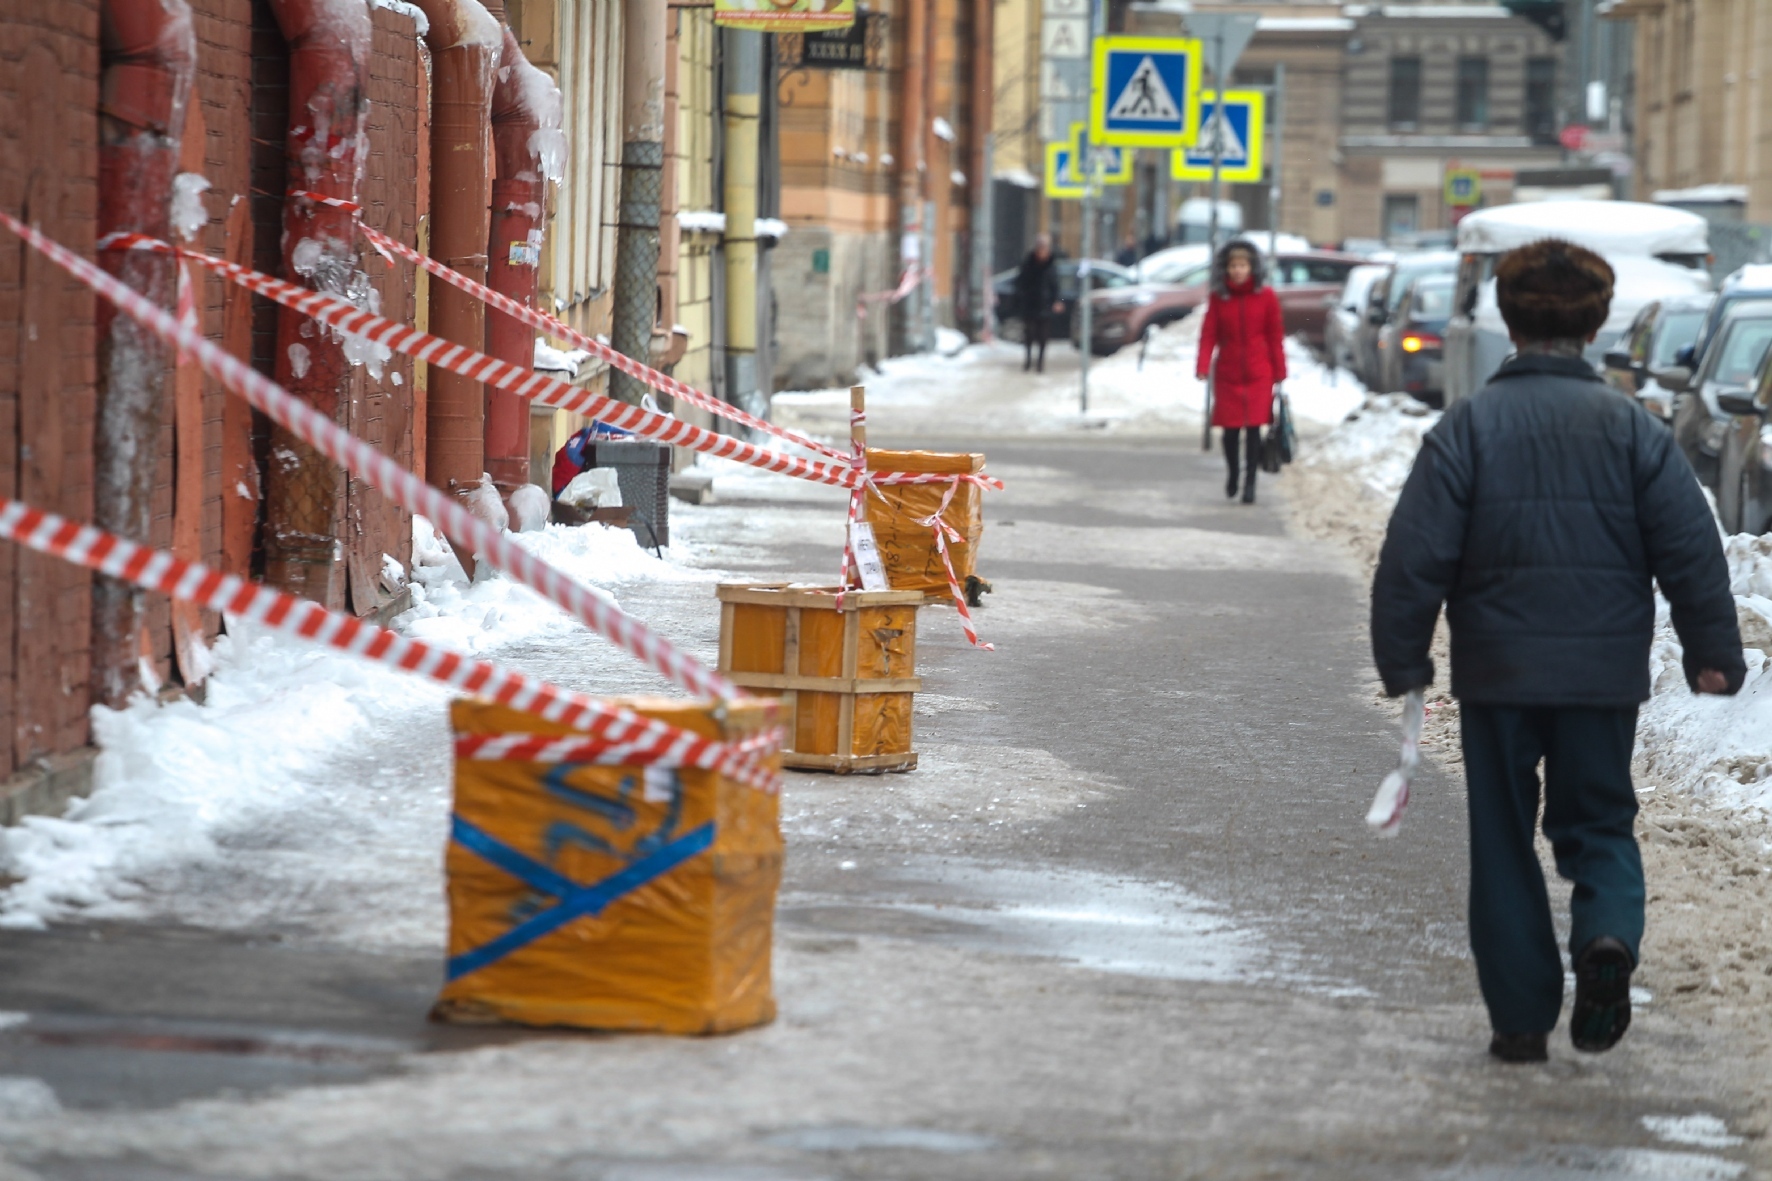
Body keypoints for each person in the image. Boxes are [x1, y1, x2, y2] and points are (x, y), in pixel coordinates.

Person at [1370, 239, 1745, 1065]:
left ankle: (1519, 1018)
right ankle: (1607, 934)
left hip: (1499, 672)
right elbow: (1691, 545)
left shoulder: (1468, 426)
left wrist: (1404, 659)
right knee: (1600, 819)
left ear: (1508, 320)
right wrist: (1712, 650)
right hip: (1601, 673)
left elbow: (1414, 553)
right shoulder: (1633, 430)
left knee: (1503, 836)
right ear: (1596, 323)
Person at [1196, 239, 1285, 503]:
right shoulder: (1219, 297)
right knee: (1231, 430)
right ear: (1226, 268)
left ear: (1252, 268)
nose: (1238, 270)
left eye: (1243, 265)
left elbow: (1274, 335)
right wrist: (1202, 365)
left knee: (1254, 428)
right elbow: (1208, 334)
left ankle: (1250, 483)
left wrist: (1280, 371)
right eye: (1233, 265)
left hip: (1259, 371)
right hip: (1228, 371)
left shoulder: (1266, 296)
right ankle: (1234, 472)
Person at [1014, 233, 1061, 373]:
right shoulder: (1028, 264)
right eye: (1041, 248)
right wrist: (1022, 297)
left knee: (1043, 336)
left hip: (1045, 306)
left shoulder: (1052, 265)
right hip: (1030, 304)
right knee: (1029, 333)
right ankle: (1028, 360)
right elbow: (1020, 283)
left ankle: (1040, 362)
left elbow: (1056, 286)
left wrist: (1057, 301)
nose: (1043, 252)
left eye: (1045, 248)